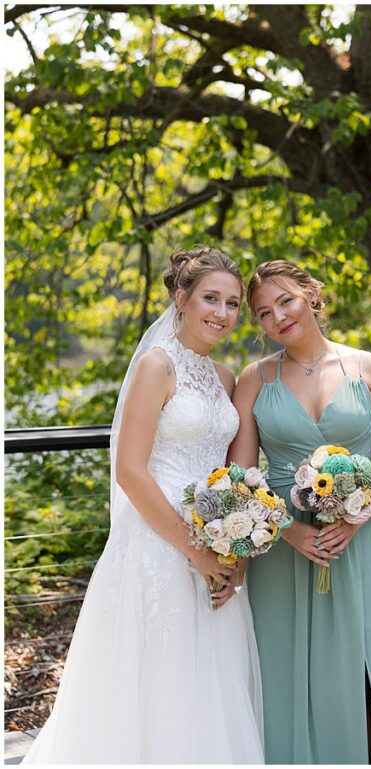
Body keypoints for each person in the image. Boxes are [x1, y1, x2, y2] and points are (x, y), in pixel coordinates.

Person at [23, 246, 263, 763]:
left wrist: (234, 549)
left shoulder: (225, 378)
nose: (222, 313)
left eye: (232, 303)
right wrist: (194, 551)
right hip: (158, 544)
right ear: (182, 298)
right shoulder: (158, 365)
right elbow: (130, 470)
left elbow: (232, 473)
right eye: (210, 299)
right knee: (158, 676)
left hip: (216, 544)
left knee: (210, 681)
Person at [229, 260, 371, 764]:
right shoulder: (255, 378)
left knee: (364, 663)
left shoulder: (369, 368)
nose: (279, 317)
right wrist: (288, 532)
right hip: (283, 549)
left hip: (359, 541)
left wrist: (356, 517)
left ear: (311, 295)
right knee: (284, 668)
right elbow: (240, 478)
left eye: (286, 300)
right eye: (264, 313)